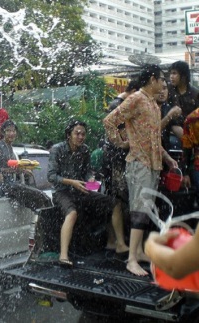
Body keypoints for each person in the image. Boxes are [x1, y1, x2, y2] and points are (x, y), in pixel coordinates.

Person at [104, 64, 178, 276]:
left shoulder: (153, 103)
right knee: (138, 210)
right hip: (139, 163)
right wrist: (121, 143)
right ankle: (131, 260)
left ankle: (137, 252)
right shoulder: (136, 98)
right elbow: (110, 121)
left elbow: (153, 138)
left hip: (153, 163)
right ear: (152, 79)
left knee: (145, 210)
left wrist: (168, 158)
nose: (164, 83)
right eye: (162, 79)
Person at [47, 120, 128, 267]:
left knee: (114, 203)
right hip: (62, 191)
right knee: (72, 213)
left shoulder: (84, 150)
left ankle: (119, 244)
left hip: (80, 189)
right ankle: (63, 255)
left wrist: (90, 178)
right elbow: (51, 176)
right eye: (77, 133)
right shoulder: (57, 149)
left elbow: (87, 171)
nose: (80, 136)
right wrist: (72, 182)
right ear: (68, 135)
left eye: (83, 134)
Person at [167, 60, 199, 140]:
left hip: (191, 130)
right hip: (171, 131)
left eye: (174, 73)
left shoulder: (194, 93)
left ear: (183, 76)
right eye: (171, 73)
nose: (171, 76)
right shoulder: (167, 90)